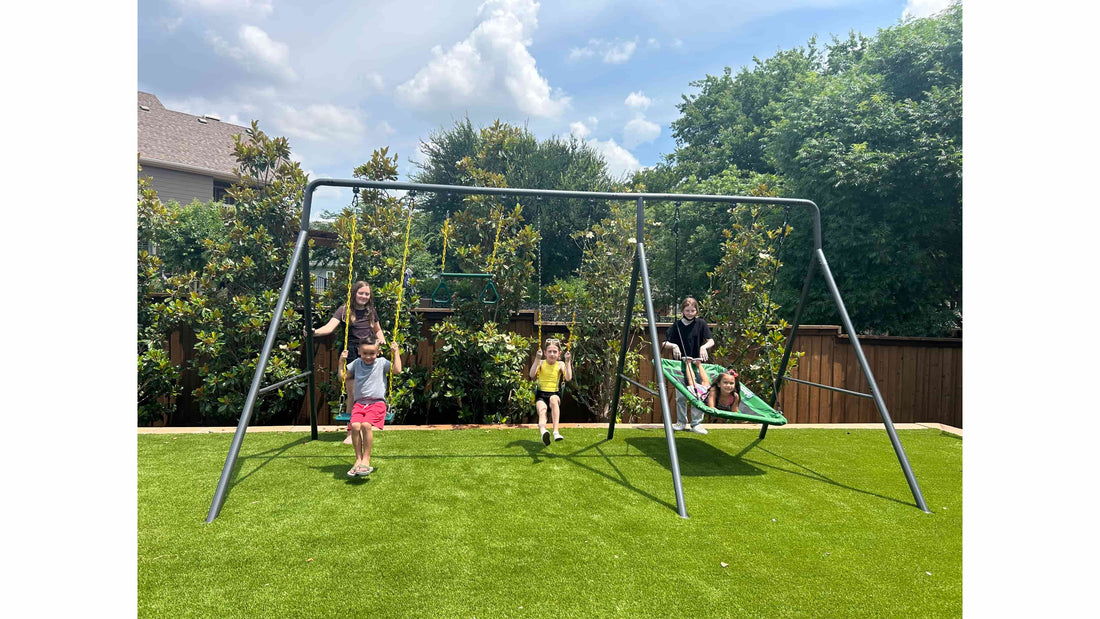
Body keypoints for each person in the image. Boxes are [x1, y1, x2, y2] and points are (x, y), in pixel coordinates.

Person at [309, 281, 386, 444]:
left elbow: (377, 330)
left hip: (369, 354)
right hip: (351, 353)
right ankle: (351, 432)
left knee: (368, 393)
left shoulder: (370, 311)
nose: (364, 296)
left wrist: (382, 341)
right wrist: (313, 332)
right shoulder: (344, 310)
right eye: (361, 293)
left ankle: (365, 428)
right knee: (353, 394)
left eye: (366, 294)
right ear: (354, 293)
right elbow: (329, 328)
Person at [343, 339, 402, 476]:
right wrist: (341, 362)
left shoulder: (381, 363)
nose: (368, 356)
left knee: (366, 425)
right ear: (359, 352)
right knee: (355, 426)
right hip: (359, 404)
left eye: (372, 353)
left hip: (377, 403)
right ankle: (358, 460)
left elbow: (397, 370)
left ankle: (366, 459)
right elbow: (342, 377)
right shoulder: (356, 363)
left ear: (378, 352)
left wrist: (396, 352)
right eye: (365, 353)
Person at [661, 296, 715, 434]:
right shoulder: (677, 325)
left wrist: (704, 347)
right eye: (687, 310)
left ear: (696, 311)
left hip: (697, 364)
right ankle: (681, 422)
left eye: (693, 310)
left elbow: (711, 341)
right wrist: (673, 346)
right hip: (680, 365)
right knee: (681, 395)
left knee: (699, 394)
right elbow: (664, 343)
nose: (690, 313)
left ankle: (696, 424)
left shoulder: (701, 324)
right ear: (682, 311)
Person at [528, 337, 573, 445]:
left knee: (553, 400)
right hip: (541, 394)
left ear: (559, 353)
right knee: (542, 410)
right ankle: (543, 432)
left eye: (555, 352)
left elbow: (568, 378)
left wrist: (568, 361)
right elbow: (531, 374)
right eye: (549, 351)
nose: (552, 354)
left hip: (554, 393)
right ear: (544, 353)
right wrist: (537, 359)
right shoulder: (541, 363)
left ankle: (556, 432)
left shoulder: (561, 364)